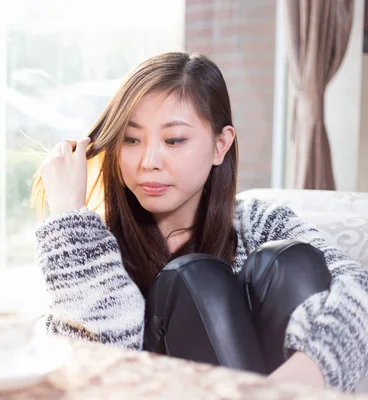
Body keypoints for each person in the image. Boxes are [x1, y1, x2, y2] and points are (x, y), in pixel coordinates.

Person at [30, 52, 368, 392]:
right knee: (195, 277)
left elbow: (360, 289)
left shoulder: (255, 223)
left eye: (174, 140)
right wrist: (66, 218)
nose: (149, 161)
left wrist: (288, 385)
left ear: (221, 145)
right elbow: (98, 370)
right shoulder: (90, 250)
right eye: (131, 140)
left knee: (293, 261)